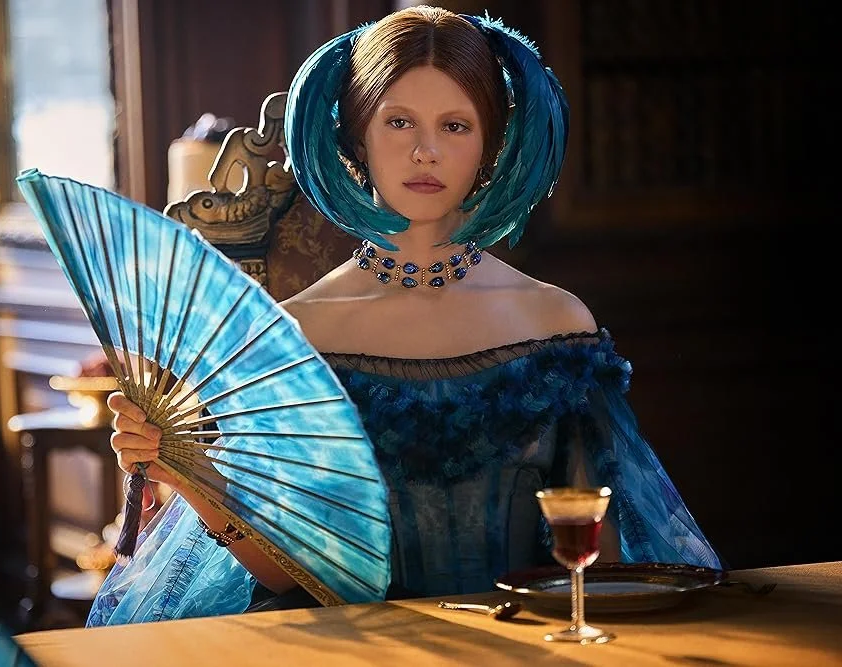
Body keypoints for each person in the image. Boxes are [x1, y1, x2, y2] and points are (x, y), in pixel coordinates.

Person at [87, 5, 723, 626]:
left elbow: (601, 562)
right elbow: (284, 575)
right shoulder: (294, 332)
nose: (425, 152)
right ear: (357, 137)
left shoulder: (557, 323)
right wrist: (187, 472)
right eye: (398, 122)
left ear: (488, 148)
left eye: (455, 126)